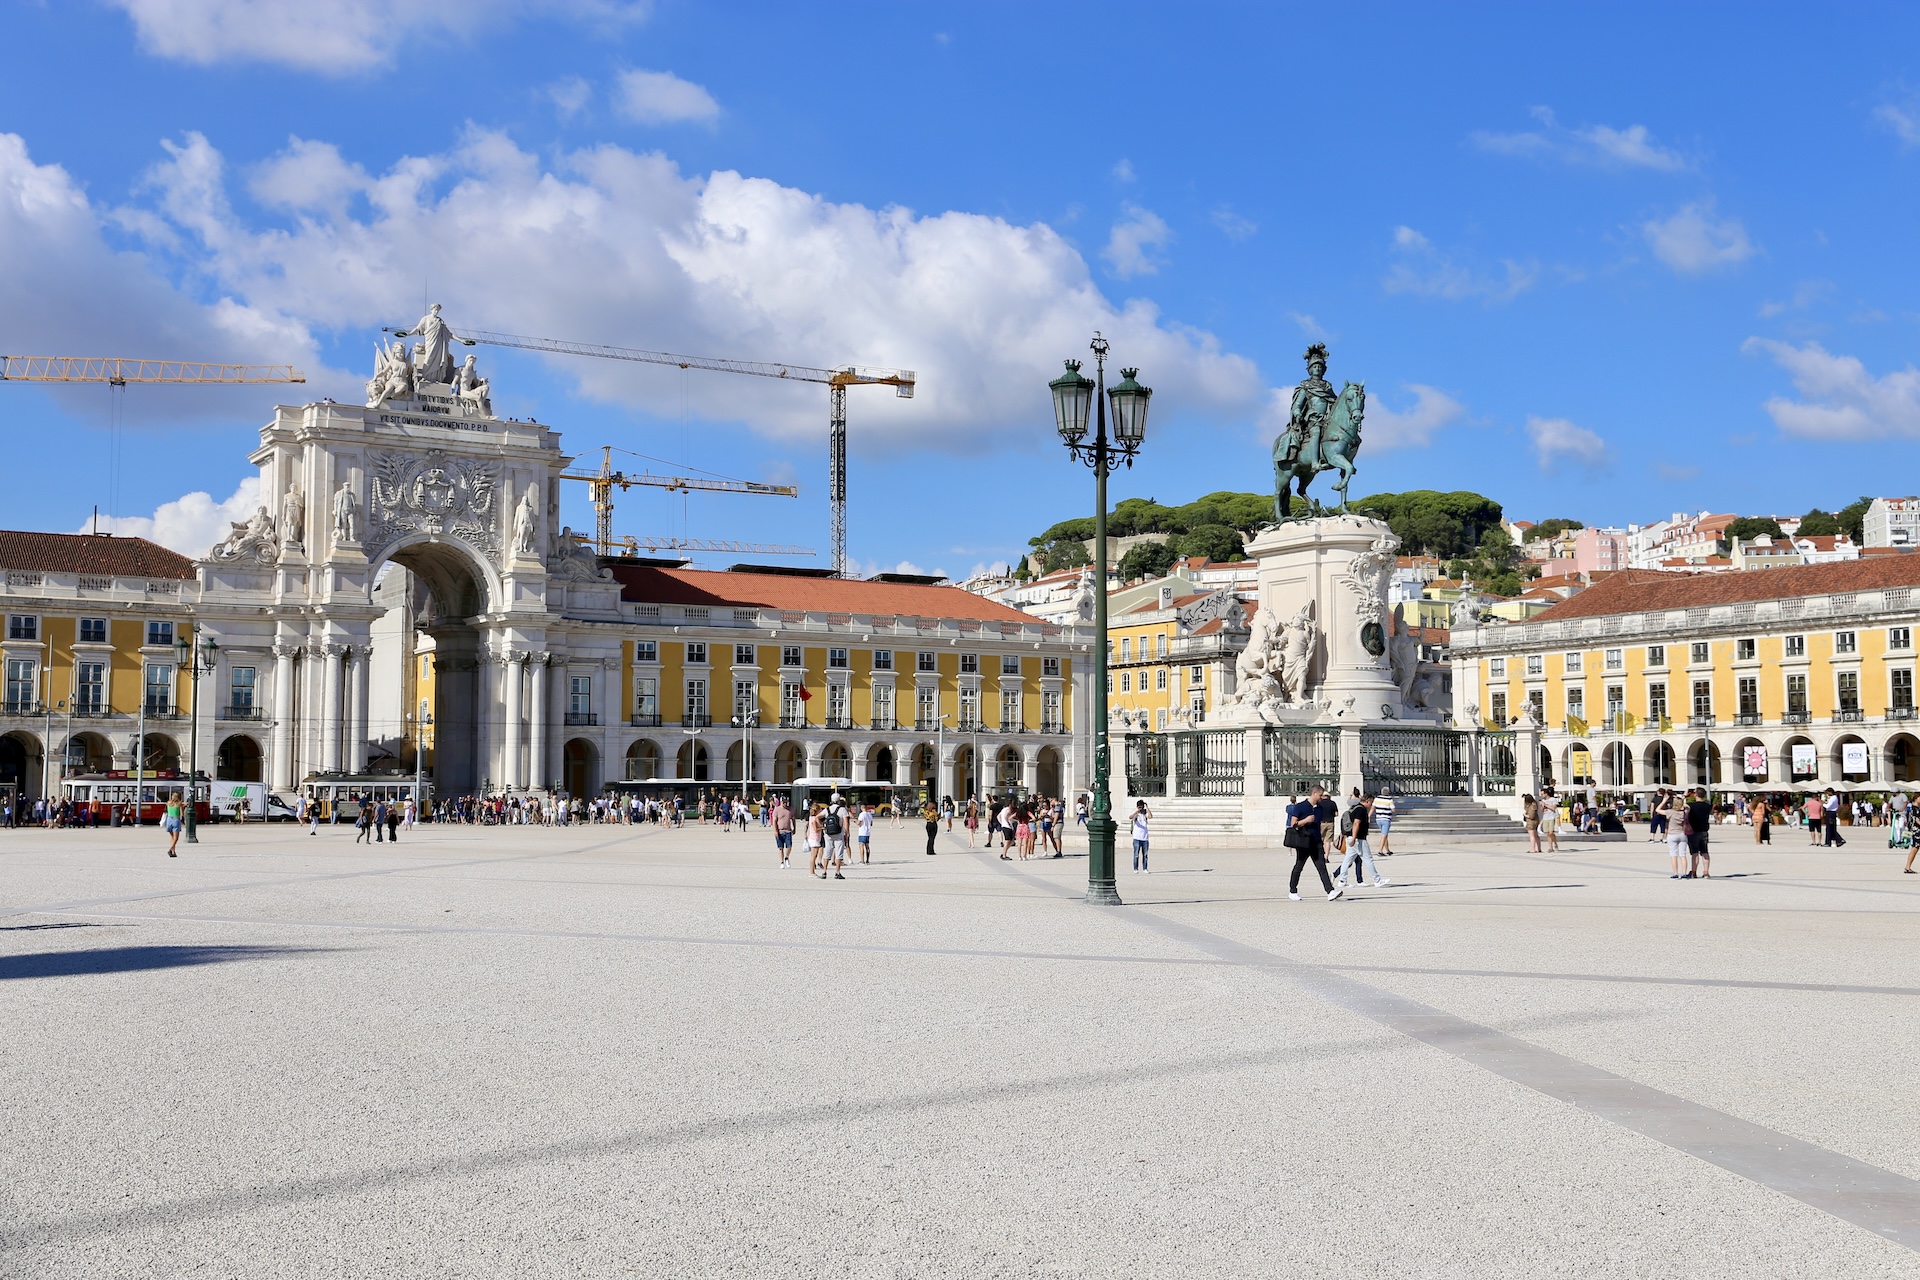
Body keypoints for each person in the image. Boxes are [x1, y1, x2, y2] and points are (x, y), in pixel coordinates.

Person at [1285, 784, 1342, 902]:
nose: (1322, 797)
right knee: (1299, 866)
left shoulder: (1320, 808)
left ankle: (1330, 891)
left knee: (1322, 867)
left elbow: (1319, 825)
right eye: (1320, 795)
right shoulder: (1300, 807)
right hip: (1304, 841)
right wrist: (1305, 821)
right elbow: (1293, 824)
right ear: (1314, 794)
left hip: (1316, 841)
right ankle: (1292, 891)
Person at [1337, 793, 1390, 889]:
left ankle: (1342, 880)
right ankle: (1377, 880)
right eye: (1371, 802)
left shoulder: (1355, 808)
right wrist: (1354, 837)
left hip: (1351, 837)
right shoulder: (1361, 810)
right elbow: (1356, 824)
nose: (1372, 805)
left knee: (1347, 860)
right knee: (1368, 859)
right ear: (1367, 801)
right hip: (1358, 839)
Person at [1661, 789, 1690, 878]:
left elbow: (1658, 810)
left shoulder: (1670, 812)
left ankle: (1675, 873)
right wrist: (1682, 800)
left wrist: (1664, 801)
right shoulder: (1685, 812)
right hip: (1682, 834)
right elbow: (1688, 806)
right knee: (1683, 854)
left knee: (1673, 854)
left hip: (1672, 834)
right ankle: (1684, 873)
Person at [1686, 787, 1714, 878]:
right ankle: (1706, 872)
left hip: (1693, 831)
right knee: (1705, 852)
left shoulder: (1691, 805)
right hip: (1704, 830)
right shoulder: (1708, 805)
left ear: (1695, 794)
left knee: (1694, 853)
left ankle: (1693, 872)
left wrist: (1684, 795)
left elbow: (1679, 806)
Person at [772, 799, 795, 868]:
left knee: (789, 846)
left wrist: (794, 828)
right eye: (783, 802)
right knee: (780, 847)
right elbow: (774, 821)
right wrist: (775, 831)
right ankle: (782, 862)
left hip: (788, 831)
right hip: (780, 831)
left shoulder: (790, 809)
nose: (785, 804)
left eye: (786, 802)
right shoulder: (777, 810)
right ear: (781, 802)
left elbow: (793, 819)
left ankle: (787, 857)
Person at [1372, 790, 1396, 856]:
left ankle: (1387, 850)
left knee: (1384, 834)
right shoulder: (1389, 799)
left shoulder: (1377, 799)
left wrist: (1368, 816)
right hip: (1386, 819)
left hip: (1378, 819)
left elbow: (1372, 808)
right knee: (1384, 835)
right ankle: (1380, 851)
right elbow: (1393, 809)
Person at [1130, 800, 1151, 873]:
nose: (1140, 808)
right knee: (1136, 854)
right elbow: (1130, 817)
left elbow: (1151, 816)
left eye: (1141, 807)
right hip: (1137, 837)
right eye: (1139, 807)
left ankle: (1145, 868)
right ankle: (1135, 868)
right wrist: (1137, 812)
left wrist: (1147, 808)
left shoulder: (1145, 814)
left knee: (1145, 855)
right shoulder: (1136, 814)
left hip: (1145, 837)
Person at [805, 804, 826, 877]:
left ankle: (812, 871)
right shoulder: (813, 819)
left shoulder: (812, 817)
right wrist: (822, 828)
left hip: (816, 838)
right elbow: (815, 829)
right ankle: (811, 872)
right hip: (814, 838)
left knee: (814, 855)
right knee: (813, 856)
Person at [1539, 787, 1561, 853]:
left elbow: (1554, 808)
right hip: (1545, 817)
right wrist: (1542, 806)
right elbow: (1541, 811)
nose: (1542, 795)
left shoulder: (1553, 799)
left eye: (1542, 794)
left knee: (1551, 832)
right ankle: (1550, 847)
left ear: (1546, 794)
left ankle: (1555, 843)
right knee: (1548, 833)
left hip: (1551, 817)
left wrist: (1546, 805)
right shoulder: (1543, 801)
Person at [163, 790, 184, 857]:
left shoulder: (168, 802)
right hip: (176, 820)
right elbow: (182, 814)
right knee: (176, 838)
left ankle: (173, 852)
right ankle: (170, 849)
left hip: (169, 820)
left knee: (172, 837)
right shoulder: (179, 803)